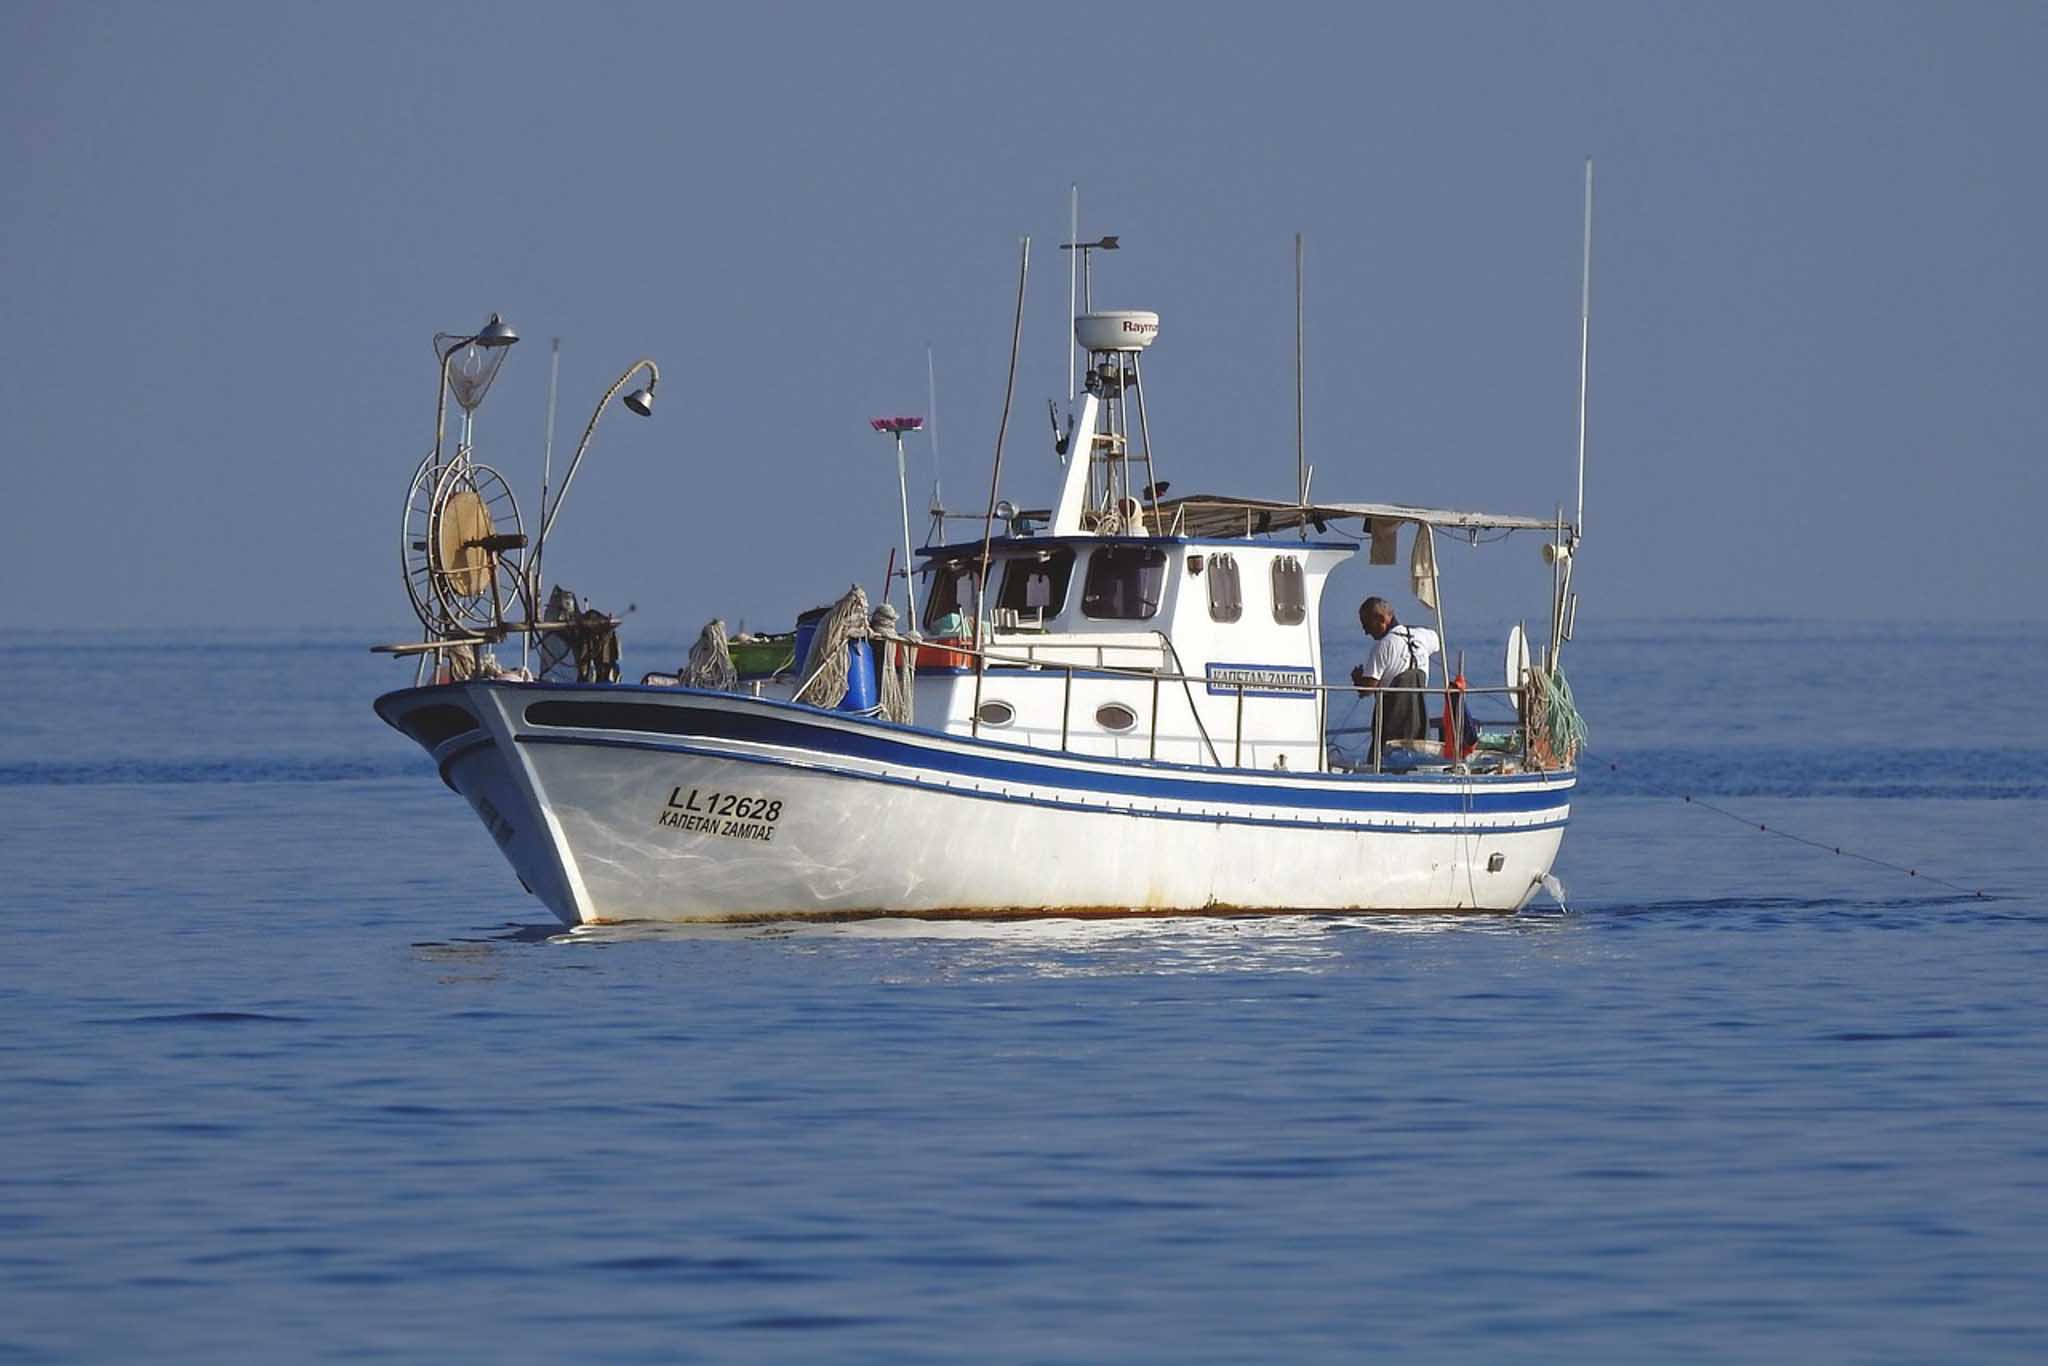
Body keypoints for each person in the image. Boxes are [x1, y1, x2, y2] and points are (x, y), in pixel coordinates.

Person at [1350, 596, 1439, 759]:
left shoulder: (1383, 646)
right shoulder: (1422, 636)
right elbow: (1437, 640)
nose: (1365, 631)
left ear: (1381, 618)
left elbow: (1367, 690)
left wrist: (1358, 679)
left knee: (1383, 760)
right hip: (1419, 723)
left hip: (1393, 723)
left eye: (1367, 625)